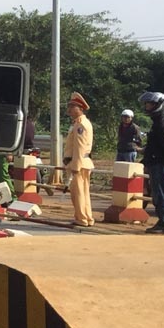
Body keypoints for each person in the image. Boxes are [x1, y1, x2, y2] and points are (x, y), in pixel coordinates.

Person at [139, 91, 164, 234]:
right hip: (154, 162)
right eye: (147, 104)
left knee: (160, 194)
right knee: (157, 194)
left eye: (151, 104)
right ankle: (161, 222)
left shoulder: (161, 123)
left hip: (160, 163)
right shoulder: (156, 122)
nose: (148, 106)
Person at [63, 92, 95, 227]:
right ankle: (86, 217)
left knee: (79, 194)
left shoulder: (80, 125)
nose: (69, 110)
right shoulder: (79, 123)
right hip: (81, 162)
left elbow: (80, 147)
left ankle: (81, 218)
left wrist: (75, 165)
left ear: (80, 108)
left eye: (72, 107)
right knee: (83, 192)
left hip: (79, 163)